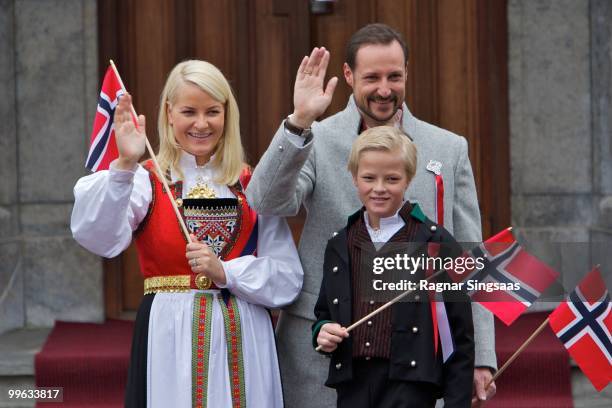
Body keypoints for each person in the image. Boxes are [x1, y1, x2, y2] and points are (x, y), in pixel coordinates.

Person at [246, 23, 496, 407]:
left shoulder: (448, 148)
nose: (384, 89)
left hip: (414, 360)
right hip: (324, 349)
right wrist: (298, 122)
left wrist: (480, 357)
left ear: (407, 72)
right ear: (348, 76)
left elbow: (470, 259)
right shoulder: (317, 137)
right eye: (372, 77)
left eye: (394, 76)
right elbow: (265, 201)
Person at [71, 60, 303, 408]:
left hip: (244, 334)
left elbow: (287, 277)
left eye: (212, 111)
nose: (201, 123)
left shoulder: (251, 183)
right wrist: (122, 166)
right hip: (170, 335)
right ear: (169, 113)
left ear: (227, 115)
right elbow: (99, 238)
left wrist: (226, 272)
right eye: (188, 111)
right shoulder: (145, 179)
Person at [314, 126, 474, 407]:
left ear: (408, 179)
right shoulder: (340, 243)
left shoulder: (435, 242)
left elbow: (459, 335)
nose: (379, 188)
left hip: (410, 385)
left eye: (391, 179)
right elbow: (325, 312)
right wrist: (323, 330)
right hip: (353, 385)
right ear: (354, 178)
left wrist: (456, 402)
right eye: (368, 178)